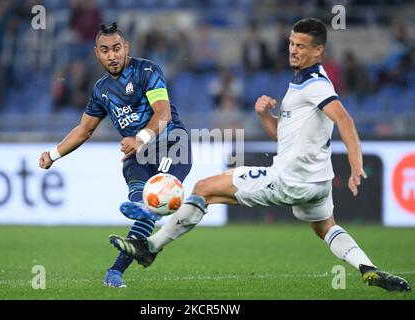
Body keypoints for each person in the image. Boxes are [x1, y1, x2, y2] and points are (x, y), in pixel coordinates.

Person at [109, 18, 411, 293]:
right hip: (318, 184)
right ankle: (368, 268)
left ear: (319, 51)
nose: (293, 50)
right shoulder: (303, 83)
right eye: (292, 43)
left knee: (204, 188)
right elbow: (285, 135)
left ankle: (150, 246)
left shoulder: (316, 85)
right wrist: (267, 116)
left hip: (289, 180)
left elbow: (344, 119)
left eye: (301, 46)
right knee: (326, 227)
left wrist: (357, 167)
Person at [39, 22, 192, 288]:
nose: (112, 56)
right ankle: (116, 270)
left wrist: (141, 138)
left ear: (126, 48)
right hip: (136, 154)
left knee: (155, 201)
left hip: (172, 145)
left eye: (117, 49)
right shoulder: (101, 90)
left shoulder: (147, 71)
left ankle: (140, 218)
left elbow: (163, 114)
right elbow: (84, 130)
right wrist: (53, 155)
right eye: (105, 50)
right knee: (142, 199)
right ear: (97, 53)